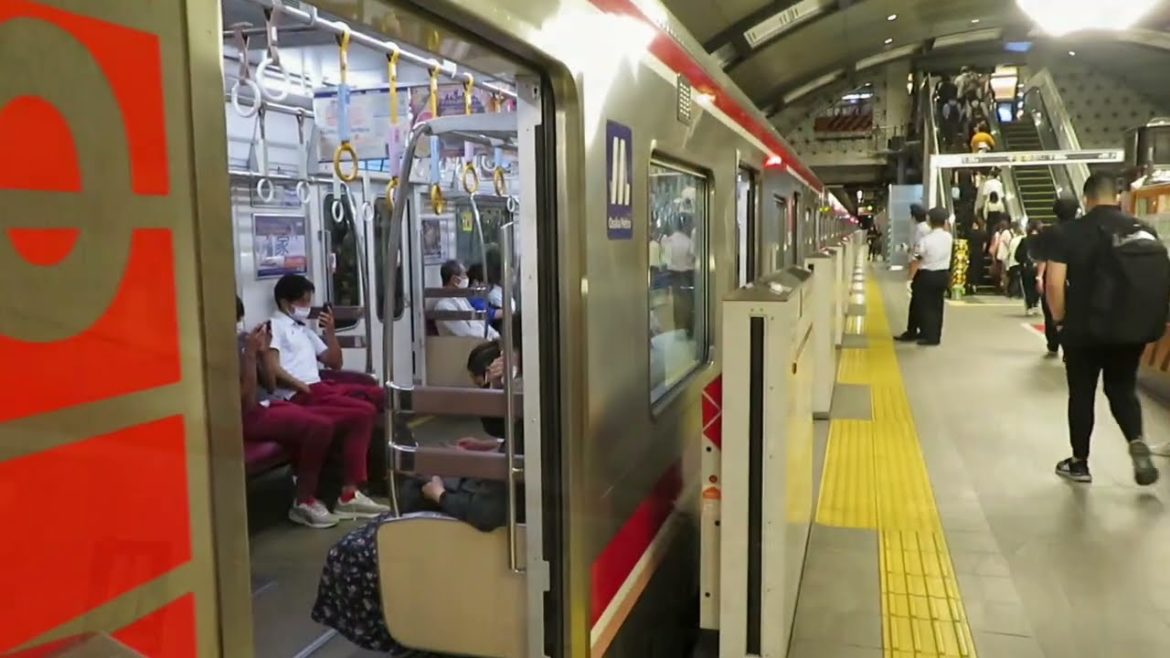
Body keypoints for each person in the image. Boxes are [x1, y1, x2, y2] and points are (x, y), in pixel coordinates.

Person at [310, 316, 526, 653]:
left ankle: (411, 631)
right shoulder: (537, 395)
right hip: (481, 490)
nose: (500, 360)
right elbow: (513, 435)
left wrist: (438, 494)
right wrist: (490, 444)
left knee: (352, 550)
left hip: (475, 514)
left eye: (505, 353)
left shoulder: (530, 398)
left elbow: (488, 510)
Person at [1045, 172, 1160, 485]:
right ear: (1117, 197)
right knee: (1121, 387)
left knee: (1081, 393)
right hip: (1131, 328)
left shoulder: (1069, 232)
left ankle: (1079, 462)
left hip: (1084, 329)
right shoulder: (1143, 230)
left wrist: (1059, 321)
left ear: (1087, 198)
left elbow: (1054, 284)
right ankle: (1136, 440)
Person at [237, 296, 379, 528]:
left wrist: (260, 353)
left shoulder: (248, 340)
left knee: (364, 409)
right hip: (250, 412)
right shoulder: (227, 350)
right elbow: (245, 401)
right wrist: (251, 356)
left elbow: (270, 386)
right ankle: (304, 500)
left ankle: (347, 491)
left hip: (270, 403)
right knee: (321, 426)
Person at [267, 275, 391, 517]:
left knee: (380, 396)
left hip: (322, 387)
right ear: (284, 301)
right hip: (301, 393)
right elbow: (273, 368)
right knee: (362, 414)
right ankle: (349, 492)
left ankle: (381, 469)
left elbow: (334, 362)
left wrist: (330, 331)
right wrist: (301, 386)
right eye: (302, 302)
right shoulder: (275, 326)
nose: (306, 307)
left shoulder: (303, 330)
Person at [1035, 197, 1080, 358]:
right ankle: (1071, 346)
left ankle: (1053, 343)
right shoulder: (1082, 230)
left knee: (1050, 311)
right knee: (1074, 311)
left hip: (1052, 274)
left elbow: (1042, 257)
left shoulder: (1048, 232)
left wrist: (1039, 277)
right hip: (1076, 277)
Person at [908, 207, 954, 346]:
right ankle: (935, 336)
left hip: (927, 275)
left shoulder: (926, 240)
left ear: (929, 221)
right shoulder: (948, 237)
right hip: (942, 275)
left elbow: (917, 257)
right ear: (945, 222)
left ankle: (926, 335)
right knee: (937, 306)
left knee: (924, 306)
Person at [433, 259, 499, 339]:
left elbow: (480, 323)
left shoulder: (461, 299)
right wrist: (490, 339)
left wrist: (495, 335)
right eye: (464, 275)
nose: (467, 278)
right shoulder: (444, 306)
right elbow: (466, 334)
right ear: (455, 280)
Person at [895, 204, 931, 342]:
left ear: (913, 216)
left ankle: (912, 332)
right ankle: (920, 330)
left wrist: (911, 276)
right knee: (922, 303)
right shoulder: (927, 228)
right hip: (926, 270)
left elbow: (917, 254)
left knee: (916, 303)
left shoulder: (919, 230)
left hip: (920, 270)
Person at [661, 216, 696, 337]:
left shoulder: (669, 241)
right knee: (688, 302)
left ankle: (678, 327)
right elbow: (693, 256)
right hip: (687, 274)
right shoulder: (688, 241)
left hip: (673, 274)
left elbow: (665, 258)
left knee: (677, 302)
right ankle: (688, 328)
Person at [1013, 221, 1042, 315]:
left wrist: (1022, 262)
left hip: (1026, 267)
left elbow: (1017, 255)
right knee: (1036, 286)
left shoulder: (1024, 241)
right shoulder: (1042, 241)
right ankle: (1036, 303)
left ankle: (1029, 305)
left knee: (1028, 287)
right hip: (1039, 267)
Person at [966, 218, 988, 294]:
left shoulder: (970, 233)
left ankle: (969, 284)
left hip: (971, 252)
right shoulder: (983, 233)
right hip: (979, 253)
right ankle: (975, 285)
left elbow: (967, 242)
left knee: (970, 268)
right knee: (977, 268)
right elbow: (984, 245)